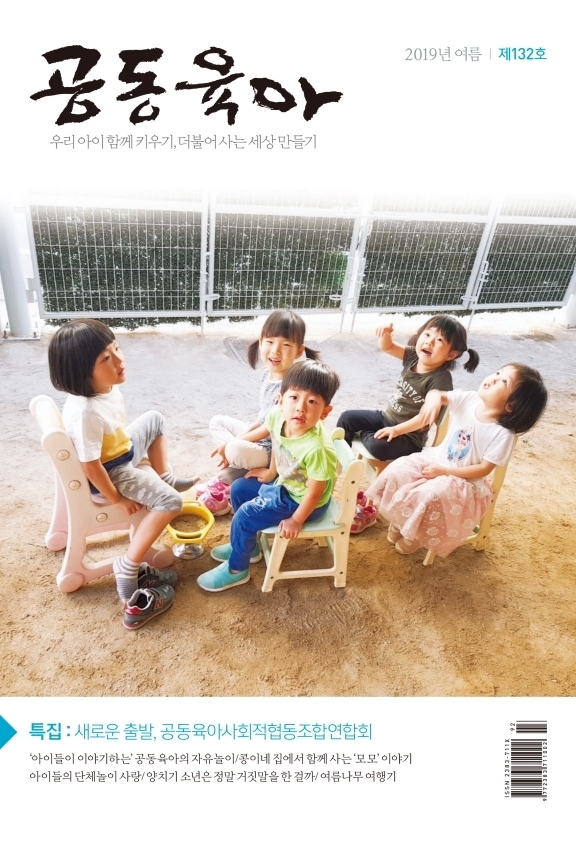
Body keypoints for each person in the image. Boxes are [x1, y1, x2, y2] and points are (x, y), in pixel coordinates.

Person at [48, 318, 198, 629]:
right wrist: (117, 499)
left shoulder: (106, 388)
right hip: (111, 471)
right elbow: (91, 466)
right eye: (106, 359)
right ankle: (128, 565)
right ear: (81, 372)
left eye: (116, 349)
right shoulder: (86, 412)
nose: (119, 360)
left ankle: (165, 476)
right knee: (171, 502)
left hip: (122, 450)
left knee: (155, 419)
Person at [365, 364, 548, 558]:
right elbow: (437, 394)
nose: (493, 378)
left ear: (512, 405)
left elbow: (484, 469)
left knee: (430, 495)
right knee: (399, 469)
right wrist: (433, 400)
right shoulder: (470, 399)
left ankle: (415, 536)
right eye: (497, 372)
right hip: (436, 458)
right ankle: (400, 521)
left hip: (462, 480)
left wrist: (445, 472)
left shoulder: (503, 434)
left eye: (503, 381)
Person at [197, 360, 341, 592]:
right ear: (280, 399)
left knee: (244, 516)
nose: (300, 408)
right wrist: (272, 471)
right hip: (285, 485)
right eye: (294, 397)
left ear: (325, 411)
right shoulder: (278, 416)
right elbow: (276, 441)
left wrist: (296, 520)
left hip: (303, 502)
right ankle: (248, 546)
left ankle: (237, 569)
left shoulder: (318, 449)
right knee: (239, 488)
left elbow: (315, 493)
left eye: (312, 401)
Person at [337, 314, 480, 534]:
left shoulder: (440, 380)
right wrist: (385, 334)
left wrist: (395, 430)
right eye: (427, 334)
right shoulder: (413, 356)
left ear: (452, 354)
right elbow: (388, 347)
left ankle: (365, 435)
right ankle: (340, 461)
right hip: (386, 418)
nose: (429, 342)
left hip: (408, 437)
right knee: (347, 417)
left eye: (439, 340)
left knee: (377, 446)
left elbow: (425, 419)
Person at [197, 309, 320, 515]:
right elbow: (261, 418)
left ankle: (227, 484)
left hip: (276, 450)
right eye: (270, 342)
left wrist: (233, 444)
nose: (275, 351)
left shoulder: (292, 388)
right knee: (217, 422)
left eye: (286, 345)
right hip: (261, 441)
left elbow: (270, 429)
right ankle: (231, 470)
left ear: (299, 351)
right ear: (261, 342)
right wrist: (236, 440)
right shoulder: (267, 374)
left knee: (234, 449)